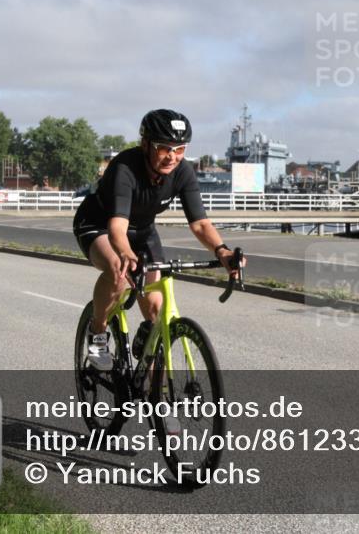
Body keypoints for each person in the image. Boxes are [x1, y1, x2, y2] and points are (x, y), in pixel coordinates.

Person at [73, 109, 242, 370]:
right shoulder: (125, 167)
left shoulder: (182, 172)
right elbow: (117, 228)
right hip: (100, 225)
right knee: (118, 270)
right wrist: (127, 255)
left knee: (154, 312)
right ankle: (97, 332)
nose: (172, 157)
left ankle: (152, 387)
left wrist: (222, 251)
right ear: (145, 145)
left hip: (142, 230)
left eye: (180, 149)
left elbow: (200, 223)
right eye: (164, 148)